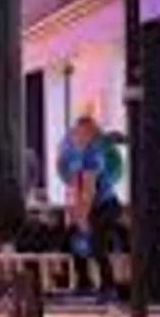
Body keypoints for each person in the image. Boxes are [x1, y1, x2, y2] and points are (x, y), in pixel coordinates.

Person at [61, 116, 123, 298]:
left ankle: (108, 286)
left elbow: (89, 188)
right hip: (89, 205)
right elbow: (74, 185)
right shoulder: (75, 155)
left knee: (96, 243)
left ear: (90, 134)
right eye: (76, 131)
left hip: (105, 205)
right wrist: (74, 213)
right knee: (73, 240)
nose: (76, 135)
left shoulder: (93, 154)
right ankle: (84, 283)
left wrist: (84, 217)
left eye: (81, 132)